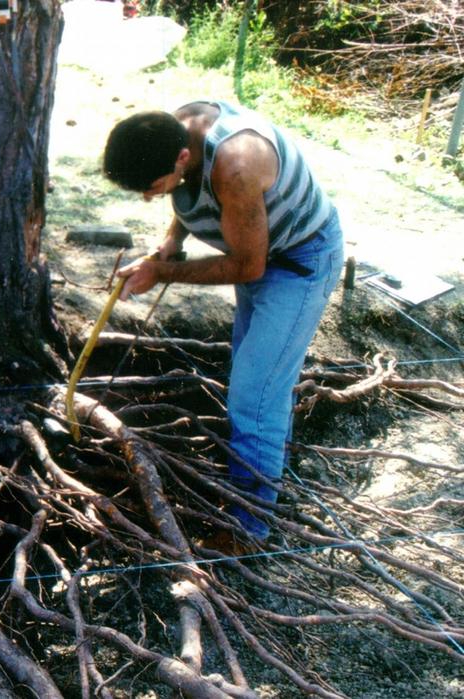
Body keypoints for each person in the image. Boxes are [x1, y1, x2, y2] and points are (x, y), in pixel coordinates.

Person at [102, 101, 344, 548]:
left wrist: (162, 273)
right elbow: (192, 191)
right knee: (262, 386)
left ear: (181, 158)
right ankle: (269, 480)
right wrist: (171, 243)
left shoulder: (236, 165)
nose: (149, 198)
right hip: (261, 253)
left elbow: (248, 266)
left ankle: (248, 530)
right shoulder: (177, 126)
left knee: (254, 397)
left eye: (153, 188)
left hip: (298, 263)